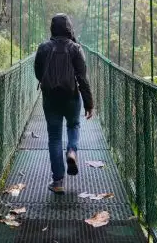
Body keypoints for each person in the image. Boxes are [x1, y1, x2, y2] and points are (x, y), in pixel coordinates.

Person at [34, 13, 94, 194]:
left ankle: (58, 181)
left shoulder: (43, 47)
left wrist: (47, 81)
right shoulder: (76, 48)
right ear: (69, 27)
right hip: (71, 97)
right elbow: (82, 79)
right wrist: (89, 103)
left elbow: (38, 72)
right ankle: (72, 151)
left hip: (51, 97)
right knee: (74, 125)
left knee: (54, 137)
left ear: (53, 28)